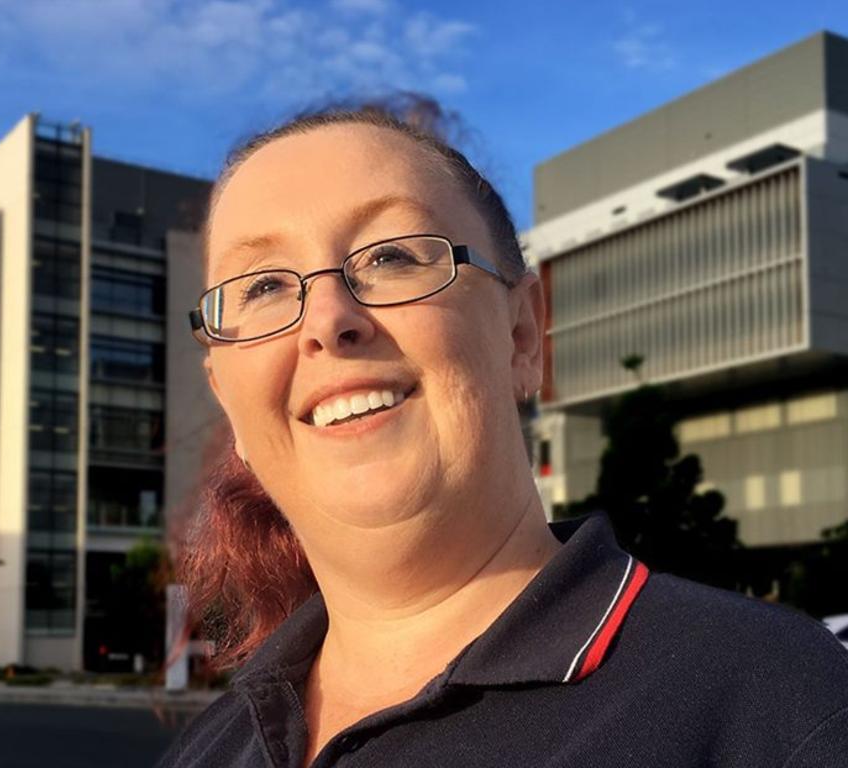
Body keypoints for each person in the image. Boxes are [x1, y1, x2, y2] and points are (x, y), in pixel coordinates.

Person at [160, 98, 848, 768]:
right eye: (262, 287)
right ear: (229, 401)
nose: (328, 320)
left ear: (522, 334)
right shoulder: (209, 749)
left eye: (392, 256)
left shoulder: (779, 707)